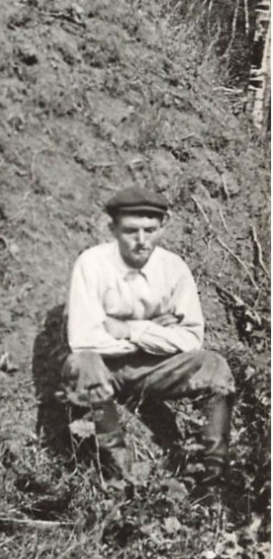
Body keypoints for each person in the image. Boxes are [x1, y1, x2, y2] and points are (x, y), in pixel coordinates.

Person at [61, 185, 235, 499]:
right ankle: (120, 475)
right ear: (112, 228)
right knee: (82, 362)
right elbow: (84, 338)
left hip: (155, 370)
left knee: (213, 366)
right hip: (105, 369)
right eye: (131, 231)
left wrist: (132, 330)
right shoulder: (92, 264)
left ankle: (211, 477)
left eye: (150, 230)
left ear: (162, 227)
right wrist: (157, 333)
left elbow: (190, 339)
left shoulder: (174, 269)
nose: (142, 241)